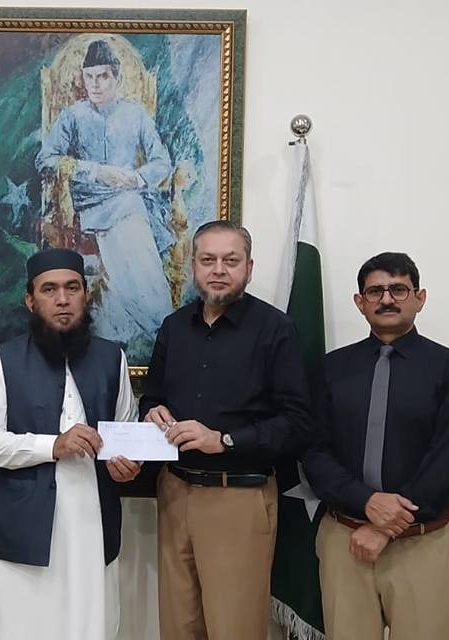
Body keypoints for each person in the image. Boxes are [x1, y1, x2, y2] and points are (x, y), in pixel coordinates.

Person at [139, 220, 312, 640]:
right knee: (178, 628)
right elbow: (151, 398)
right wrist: (151, 412)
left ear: (249, 268)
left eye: (230, 260)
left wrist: (224, 441)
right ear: (193, 266)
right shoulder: (174, 327)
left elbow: (297, 423)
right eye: (208, 260)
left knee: (234, 629)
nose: (218, 269)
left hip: (238, 497)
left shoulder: (276, 329)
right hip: (174, 492)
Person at [301, 251, 449, 640]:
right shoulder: (331, 368)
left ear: (420, 298)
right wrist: (366, 502)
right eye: (375, 291)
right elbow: (314, 450)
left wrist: (386, 528)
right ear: (360, 302)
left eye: (399, 289)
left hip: (423, 543)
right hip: (345, 540)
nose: (387, 299)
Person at [0, 248, 142, 640]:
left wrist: (128, 466)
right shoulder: (2, 361)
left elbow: (125, 432)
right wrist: (53, 446)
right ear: (31, 300)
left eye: (72, 288)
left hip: (92, 527)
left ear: (86, 294)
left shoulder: (112, 359)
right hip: (19, 531)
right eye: (49, 289)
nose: (62, 299)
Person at [35, 39, 175, 348]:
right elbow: (45, 159)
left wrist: (135, 177)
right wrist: (95, 171)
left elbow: (162, 162)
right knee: (132, 216)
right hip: (89, 203)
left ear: (116, 77)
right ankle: (157, 321)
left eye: (103, 76)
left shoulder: (135, 115)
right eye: (89, 77)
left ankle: (151, 321)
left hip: (131, 197)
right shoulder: (72, 116)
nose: (95, 85)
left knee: (134, 211)